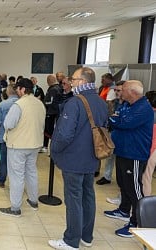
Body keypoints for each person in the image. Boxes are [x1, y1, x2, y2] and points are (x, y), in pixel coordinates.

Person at [48, 67, 108, 250]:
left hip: (73, 159)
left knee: (73, 199)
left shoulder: (75, 103)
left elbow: (65, 134)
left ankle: (71, 240)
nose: (70, 82)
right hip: (91, 158)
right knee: (88, 197)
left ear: (82, 81)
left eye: (73, 79)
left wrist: (55, 150)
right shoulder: (101, 102)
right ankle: (86, 236)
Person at [104, 80, 153, 238]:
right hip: (123, 151)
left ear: (133, 92)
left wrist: (113, 119)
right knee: (123, 183)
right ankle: (124, 210)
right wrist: (116, 119)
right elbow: (118, 119)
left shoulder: (143, 108)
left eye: (123, 90)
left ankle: (138, 222)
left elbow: (124, 123)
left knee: (134, 189)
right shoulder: (127, 104)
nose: (120, 92)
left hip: (135, 154)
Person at [0, 78, 45, 217]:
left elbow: (8, 124)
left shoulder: (18, 105)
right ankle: (33, 200)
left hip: (18, 145)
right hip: (35, 144)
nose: (17, 91)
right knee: (31, 172)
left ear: (23, 89)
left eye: (18, 89)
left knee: (16, 176)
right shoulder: (39, 104)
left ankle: (15, 208)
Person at [96, 81, 125, 186]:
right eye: (115, 90)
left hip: (123, 135)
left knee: (121, 161)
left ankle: (122, 182)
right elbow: (108, 117)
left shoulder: (129, 104)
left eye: (119, 90)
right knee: (109, 156)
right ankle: (107, 176)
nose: (117, 92)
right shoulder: (112, 103)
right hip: (112, 132)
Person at [0, 85, 18, 188]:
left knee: (4, 159)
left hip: (4, 136)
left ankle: (1, 179)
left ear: (7, 93)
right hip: (18, 138)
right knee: (17, 162)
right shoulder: (21, 104)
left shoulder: (3, 104)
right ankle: (16, 183)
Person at [41, 74, 61, 153]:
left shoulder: (53, 89)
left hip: (51, 113)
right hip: (56, 113)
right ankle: (47, 147)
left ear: (49, 81)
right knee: (50, 131)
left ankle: (49, 148)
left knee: (49, 131)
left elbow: (50, 101)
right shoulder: (59, 88)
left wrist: (44, 102)